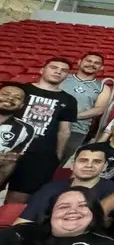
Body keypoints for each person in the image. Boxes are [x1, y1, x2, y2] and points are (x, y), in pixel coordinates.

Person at [5, 58, 78, 204]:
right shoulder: (22, 90)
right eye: (54, 67)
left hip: (40, 155)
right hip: (8, 146)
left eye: (63, 70)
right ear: (42, 70)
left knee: (18, 199)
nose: (58, 72)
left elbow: (64, 131)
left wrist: (57, 155)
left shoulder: (69, 100)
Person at [16, 145, 114, 224]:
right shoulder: (52, 187)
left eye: (97, 162)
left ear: (104, 166)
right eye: (83, 161)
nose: (89, 165)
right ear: (73, 164)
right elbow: (24, 221)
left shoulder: (113, 192)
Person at [59, 52, 112, 163]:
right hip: (50, 124)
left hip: (77, 129)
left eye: (96, 63)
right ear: (79, 62)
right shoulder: (62, 77)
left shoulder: (103, 87)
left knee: (58, 161)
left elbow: (99, 109)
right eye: (88, 61)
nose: (92, 64)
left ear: (101, 67)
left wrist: (71, 116)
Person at [0, 83, 34, 188]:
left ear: (21, 105)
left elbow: (10, 163)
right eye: (5, 94)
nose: (10, 98)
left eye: (17, 98)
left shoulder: (26, 129)